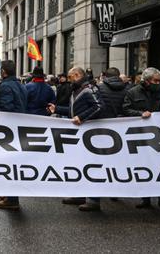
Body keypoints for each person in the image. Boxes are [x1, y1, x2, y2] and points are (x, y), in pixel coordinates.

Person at [47, 67, 103, 211]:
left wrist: (82, 117)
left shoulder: (90, 89)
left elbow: (99, 107)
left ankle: (93, 199)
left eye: (71, 77)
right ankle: (79, 195)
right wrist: (57, 109)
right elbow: (73, 112)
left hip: (89, 134)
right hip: (79, 135)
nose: (69, 80)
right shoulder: (76, 90)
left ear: (77, 76)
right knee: (78, 165)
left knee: (90, 166)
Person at [123, 67, 160, 211]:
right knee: (144, 167)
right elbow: (126, 109)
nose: (158, 83)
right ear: (146, 81)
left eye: (159, 80)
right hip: (141, 135)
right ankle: (146, 198)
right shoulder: (132, 92)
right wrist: (140, 113)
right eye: (155, 80)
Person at [0, 60, 27, 211]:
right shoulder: (20, 85)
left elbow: (7, 109)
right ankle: (9, 195)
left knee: (10, 164)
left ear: (4, 72)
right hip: (19, 128)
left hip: (9, 130)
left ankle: (12, 199)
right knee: (13, 163)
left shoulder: (5, 85)